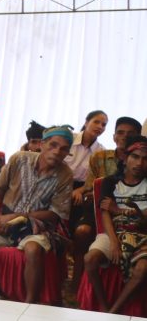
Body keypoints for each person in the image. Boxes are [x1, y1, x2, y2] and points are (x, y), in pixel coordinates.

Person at [0, 126, 74, 303]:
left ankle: (29, 304)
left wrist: (19, 215)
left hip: (37, 226)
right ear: (42, 144)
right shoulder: (19, 159)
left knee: (33, 250)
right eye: (53, 145)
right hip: (5, 220)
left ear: (68, 152)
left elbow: (55, 215)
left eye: (63, 149)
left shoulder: (65, 174)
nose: (57, 152)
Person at [72, 117, 142, 286]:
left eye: (130, 134)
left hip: (131, 215)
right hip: (98, 209)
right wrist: (88, 194)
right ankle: (76, 280)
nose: (124, 137)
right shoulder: (100, 156)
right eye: (120, 133)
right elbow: (90, 186)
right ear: (114, 136)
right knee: (82, 231)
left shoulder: (141, 161)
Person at [83, 135, 147, 313]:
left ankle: (114, 311)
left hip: (143, 234)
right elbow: (105, 214)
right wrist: (113, 242)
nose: (139, 163)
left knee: (143, 268)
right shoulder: (110, 182)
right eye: (135, 157)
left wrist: (118, 210)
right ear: (125, 158)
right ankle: (103, 306)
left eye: (145, 159)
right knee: (90, 259)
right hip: (113, 230)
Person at [66, 111, 109, 286]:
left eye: (104, 124)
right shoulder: (69, 139)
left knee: (81, 229)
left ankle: (76, 278)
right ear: (86, 122)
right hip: (60, 185)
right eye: (96, 122)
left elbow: (95, 181)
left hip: (83, 190)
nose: (100, 127)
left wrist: (81, 190)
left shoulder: (101, 152)